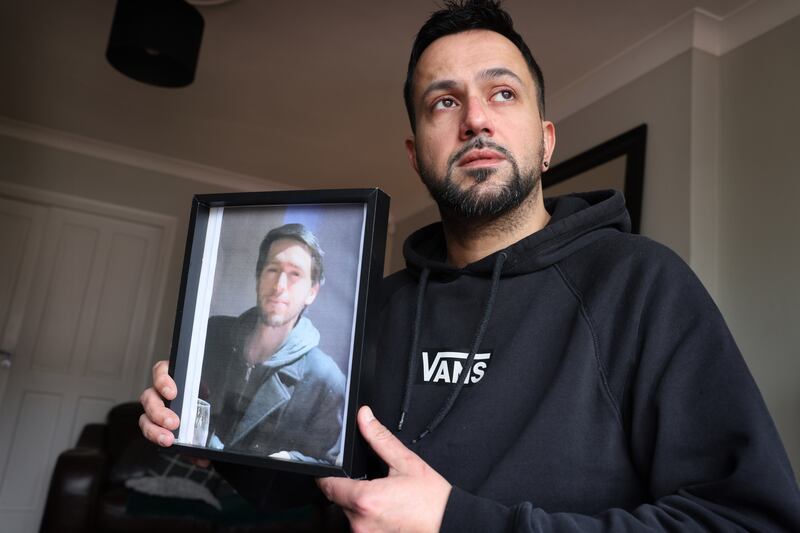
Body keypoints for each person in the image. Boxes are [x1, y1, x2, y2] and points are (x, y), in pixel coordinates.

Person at [141, 1, 800, 531]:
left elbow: (746, 517)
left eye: (504, 93)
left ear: (545, 142)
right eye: (444, 102)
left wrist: (458, 520)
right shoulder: (381, 307)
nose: (476, 119)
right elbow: (316, 487)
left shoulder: (644, 286)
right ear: (415, 152)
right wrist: (214, 437)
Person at [197, 223, 345, 464]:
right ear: (258, 277)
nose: (279, 286)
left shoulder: (328, 380)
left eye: (295, 274)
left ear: (312, 293)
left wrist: (289, 462)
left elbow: (325, 467)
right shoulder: (212, 334)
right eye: (272, 269)